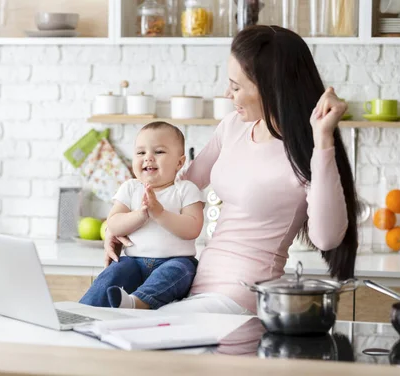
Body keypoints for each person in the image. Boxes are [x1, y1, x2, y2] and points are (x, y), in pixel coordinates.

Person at [102, 25, 359, 315]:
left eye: (236, 87)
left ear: (271, 87)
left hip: (243, 295)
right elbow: (177, 186)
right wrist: (115, 225)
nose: (227, 94)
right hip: (198, 284)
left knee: (131, 328)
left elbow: (327, 238)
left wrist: (323, 139)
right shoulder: (234, 127)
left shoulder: (308, 150)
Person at [79, 121, 205, 309]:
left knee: (180, 272)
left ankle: (138, 302)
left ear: (179, 162)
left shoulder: (185, 190)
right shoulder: (130, 188)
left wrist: (159, 213)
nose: (148, 158)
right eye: (141, 153)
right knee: (113, 272)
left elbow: (193, 228)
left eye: (159, 152)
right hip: (133, 261)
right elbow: (113, 224)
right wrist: (141, 214)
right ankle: (85, 309)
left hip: (175, 260)